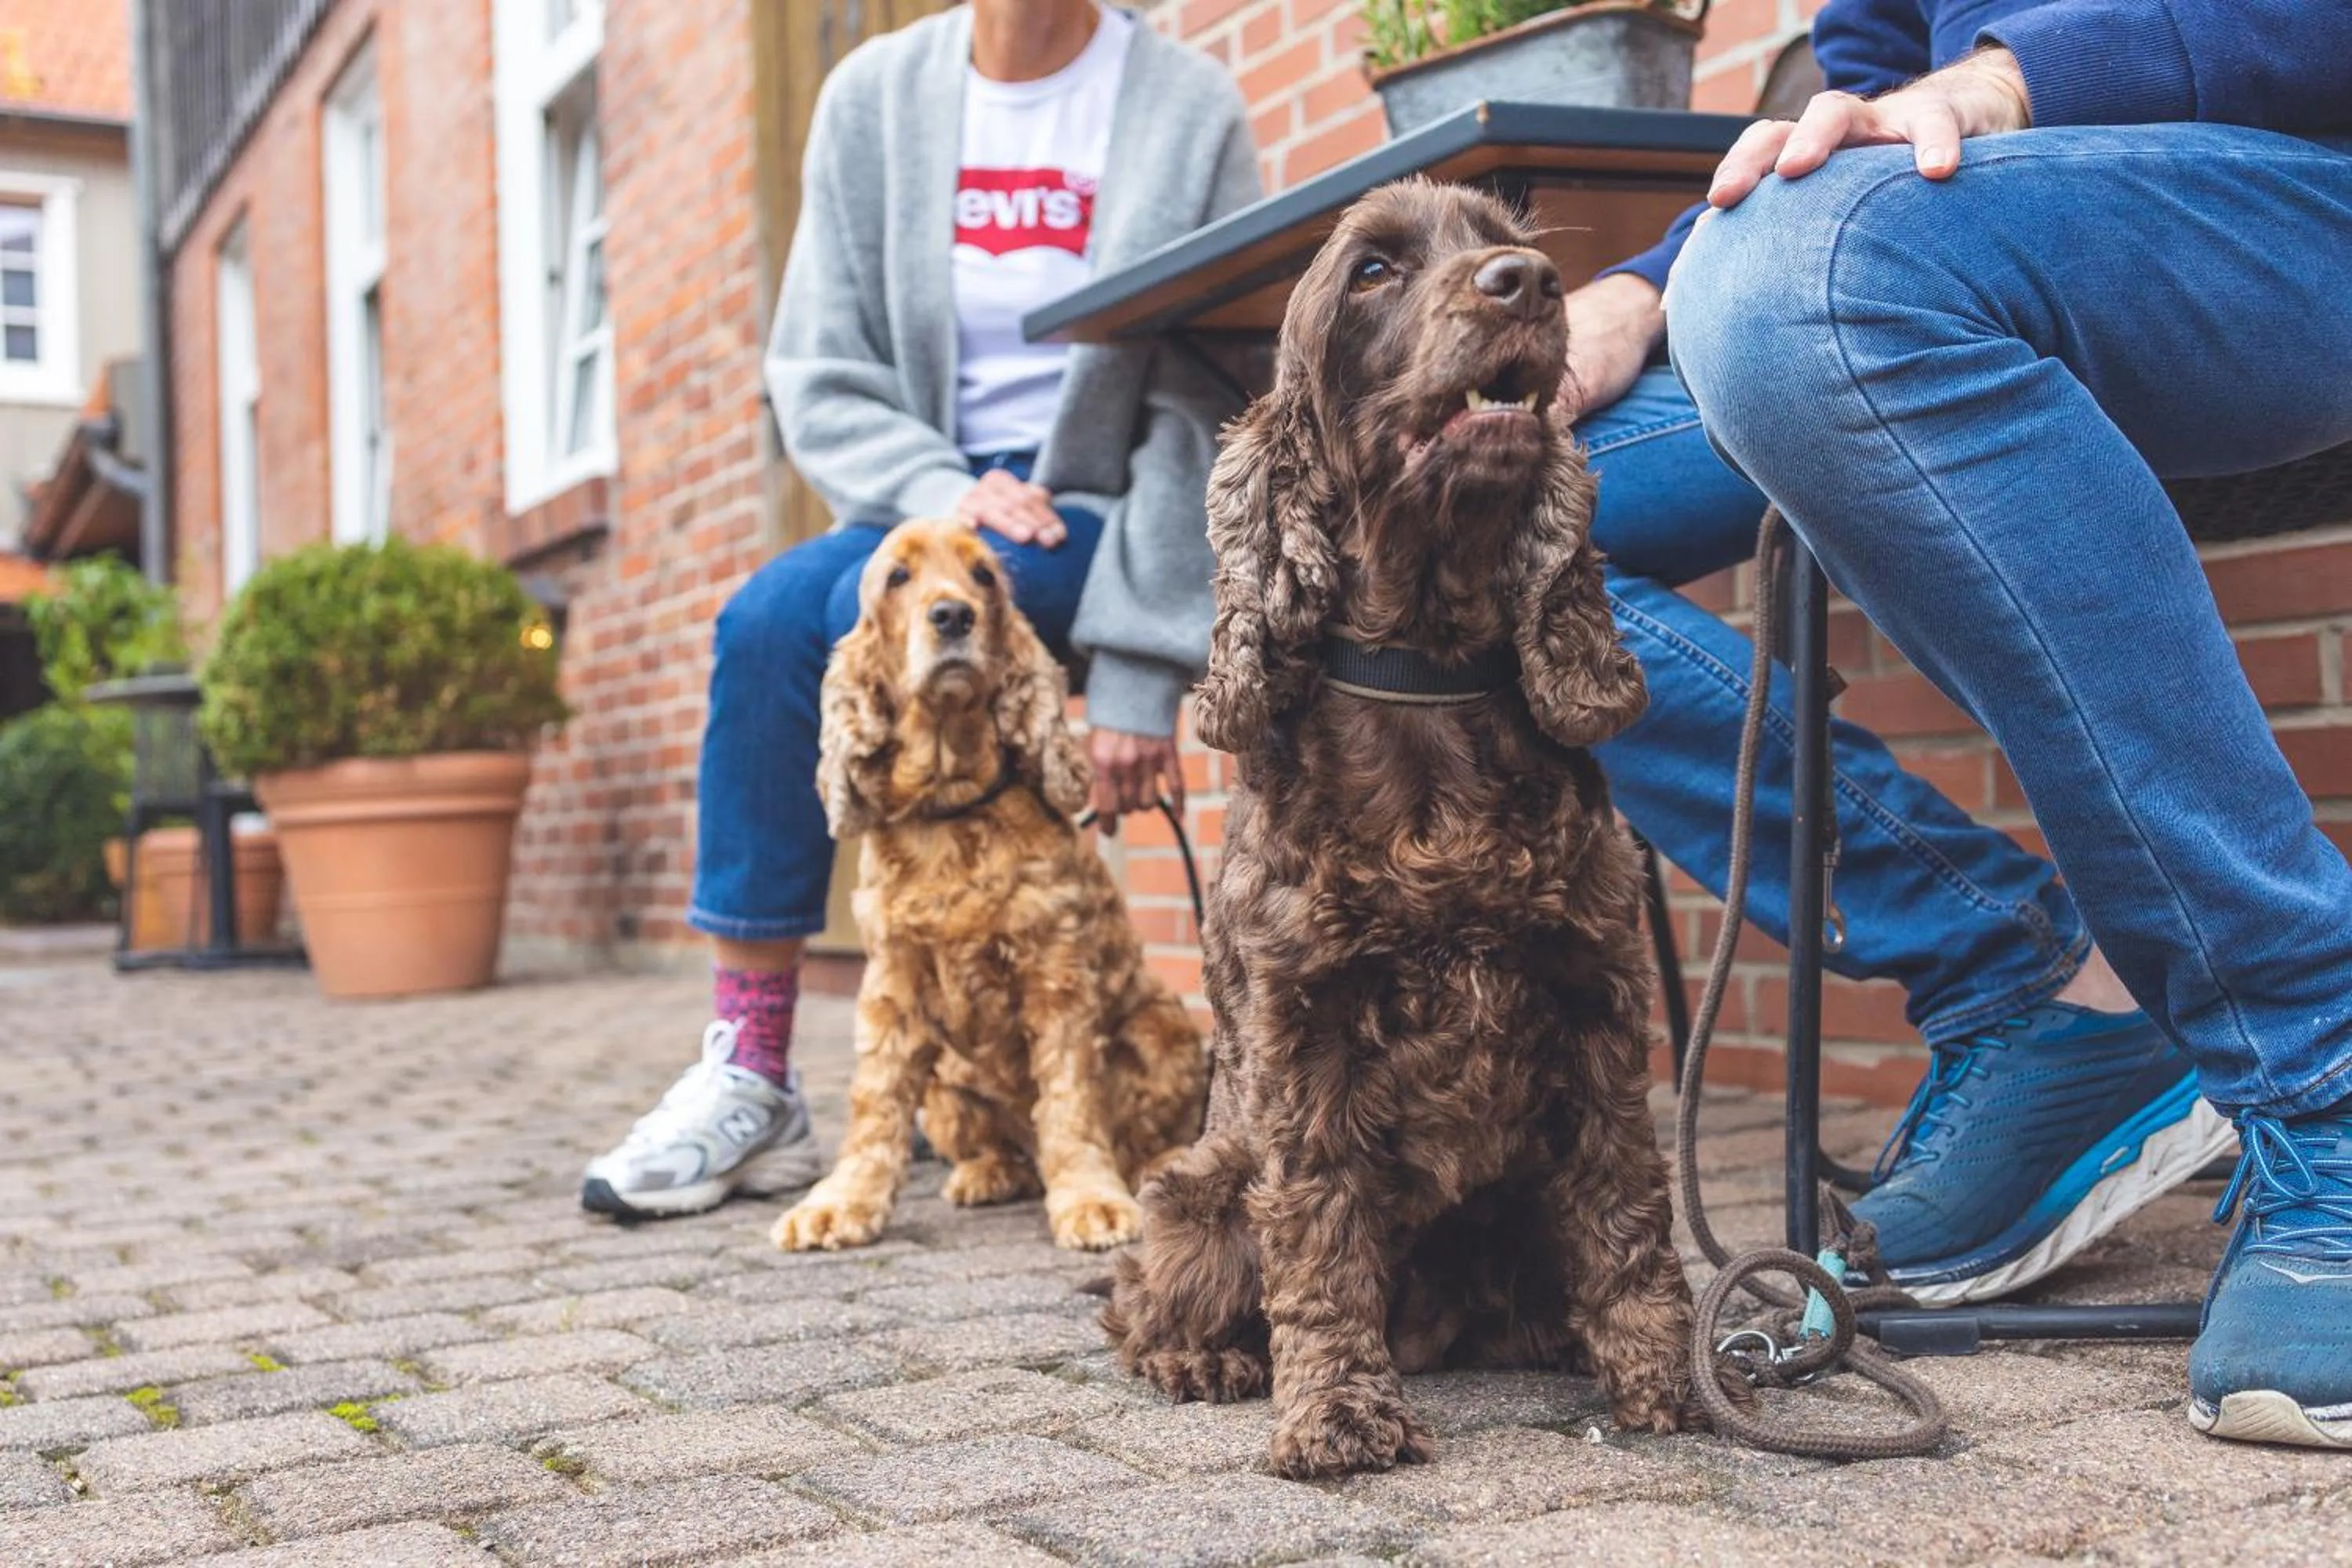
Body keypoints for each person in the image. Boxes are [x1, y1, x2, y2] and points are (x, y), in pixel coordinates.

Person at [1657, 1, 2352, 1446]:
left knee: (1804, 279)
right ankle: (2028, 987)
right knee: (1422, 522)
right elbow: (1860, 92)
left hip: (2288, 194)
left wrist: (2022, 80)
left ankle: (2321, 1067)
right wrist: (1637, 282)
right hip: (1966, 222)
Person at [580, 0, 1258, 1221]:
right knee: (772, 620)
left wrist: (1150, 666)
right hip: (918, 492)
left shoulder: (1184, 106)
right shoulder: (871, 98)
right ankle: (751, 1065)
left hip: (1089, 517)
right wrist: (947, 494)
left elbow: (1204, 405)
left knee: (951, 590)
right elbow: (818, 370)